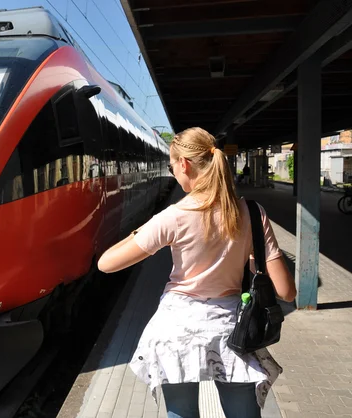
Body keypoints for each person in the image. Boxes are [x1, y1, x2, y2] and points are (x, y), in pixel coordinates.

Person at [97, 127, 296, 418]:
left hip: (177, 328)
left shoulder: (173, 216)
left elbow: (106, 263)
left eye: (171, 166)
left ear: (184, 164)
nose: (173, 172)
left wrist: (145, 231)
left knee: (182, 412)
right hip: (232, 330)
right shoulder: (252, 212)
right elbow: (286, 291)